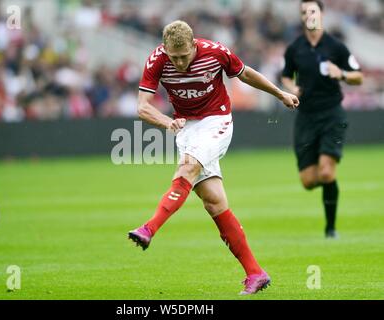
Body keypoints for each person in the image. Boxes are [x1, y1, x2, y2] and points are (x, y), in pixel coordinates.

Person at [128, 20, 299, 295]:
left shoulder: (215, 52)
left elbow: (245, 74)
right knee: (214, 202)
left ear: (194, 45)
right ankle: (255, 273)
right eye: (175, 57)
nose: (180, 62)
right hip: (185, 128)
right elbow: (142, 107)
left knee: (187, 169)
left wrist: (280, 94)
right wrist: (165, 122)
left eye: (184, 55)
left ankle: (149, 229)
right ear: (166, 50)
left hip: (217, 121)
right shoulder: (157, 60)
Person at [281, 0, 363, 238]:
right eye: (304, 12)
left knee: (327, 172)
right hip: (306, 116)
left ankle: (330, 229)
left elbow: (358, 76)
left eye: (313, 10)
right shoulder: (294, 48)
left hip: (331, 114)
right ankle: (331, 187)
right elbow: (286, 76)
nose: (309, 15)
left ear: (322, 14)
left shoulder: (337, 47)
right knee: (308, 181)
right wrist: (292, 87)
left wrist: (343, 74)